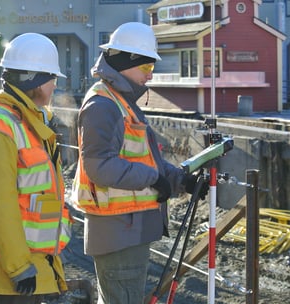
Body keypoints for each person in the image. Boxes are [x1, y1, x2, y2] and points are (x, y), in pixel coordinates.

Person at [71, 22, 208, 304]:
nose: (150, 76)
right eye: (146, 68)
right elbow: (99, 166)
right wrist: (152, 178)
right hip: (118, 232)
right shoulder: (103, 106)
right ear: (125, 62)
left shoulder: (122, 103)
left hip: (128, 231)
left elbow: (148, 159)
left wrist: (182, 180)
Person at [0, 33, 72, 304]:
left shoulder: (26, 123)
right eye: (52, 79)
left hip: (29, 265)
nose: (54, 86)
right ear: (33, 80)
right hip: (10, 273)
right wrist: (19, 267)